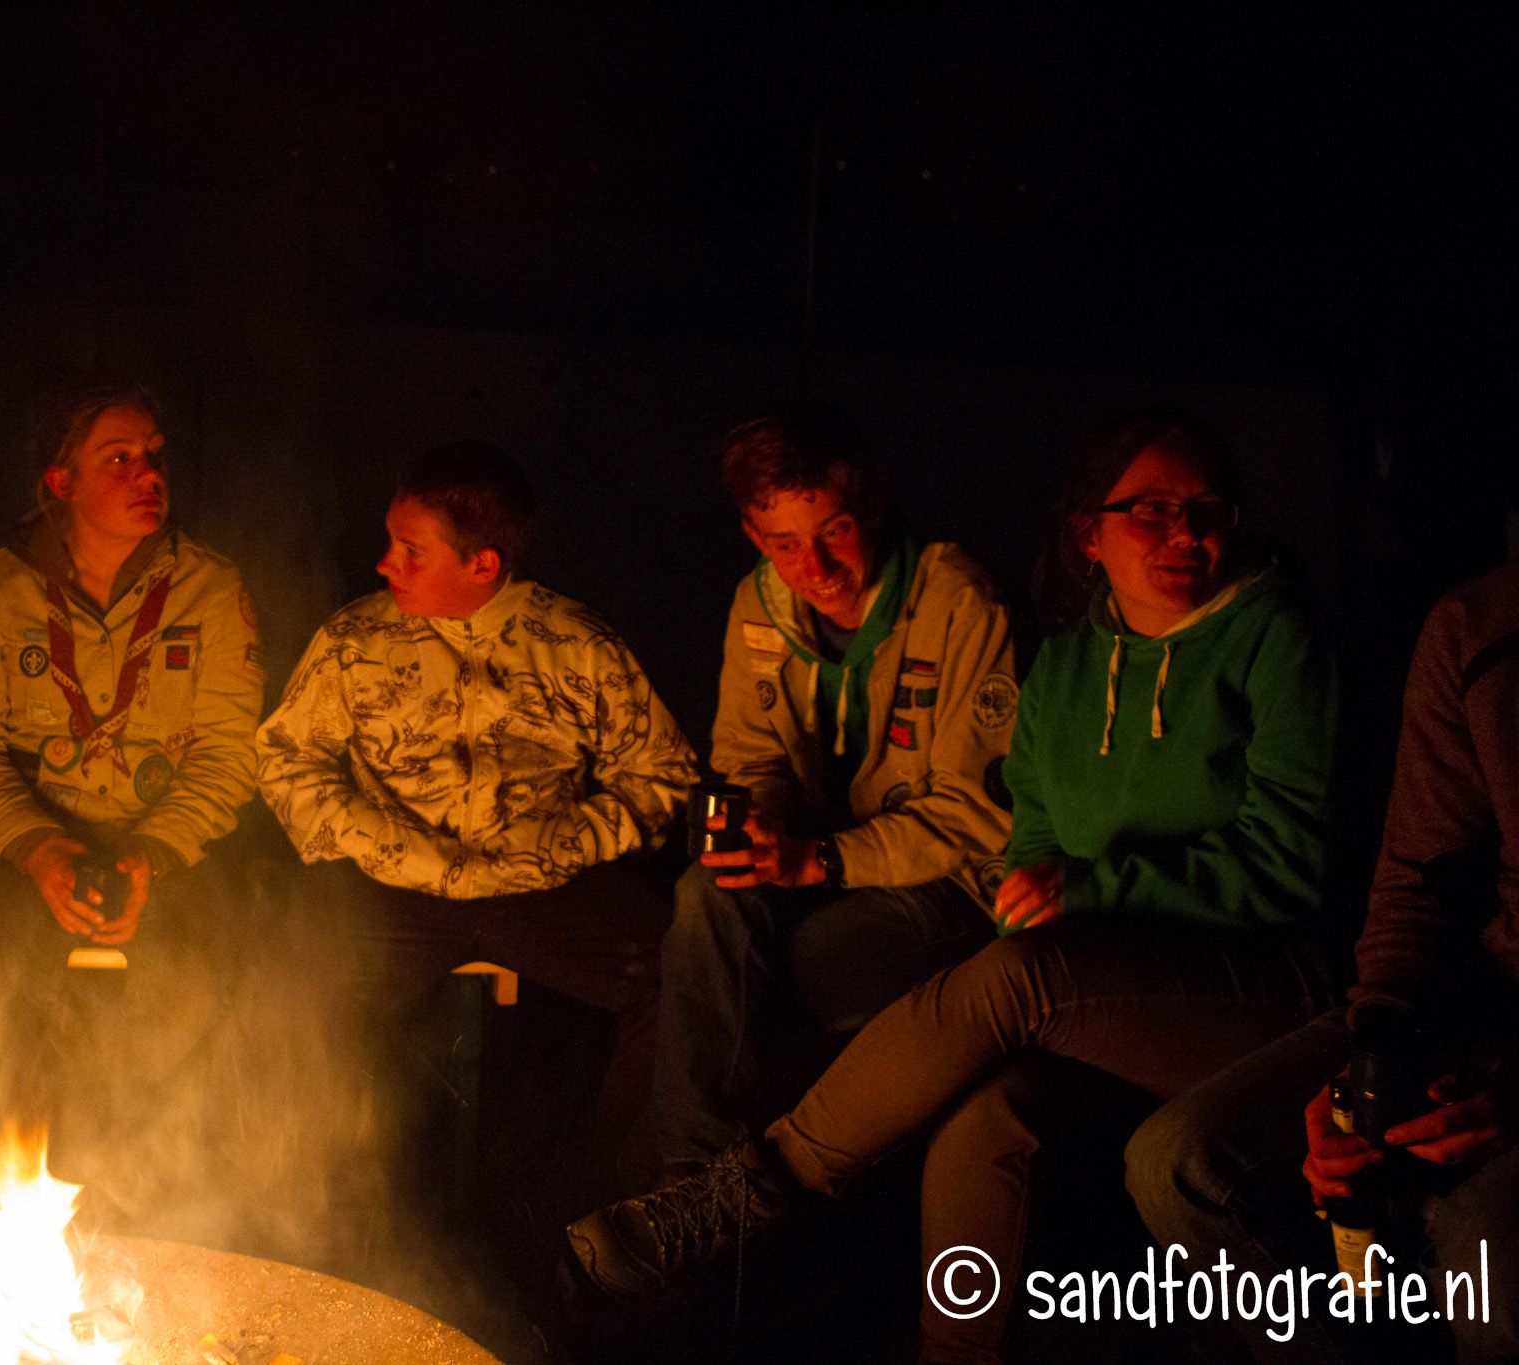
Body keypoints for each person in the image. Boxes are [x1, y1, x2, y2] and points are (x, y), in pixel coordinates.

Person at [569, 411, 1341, 1361]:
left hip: (1255, 978)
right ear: (1089, 535)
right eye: (1149, 511)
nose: (1183, 533)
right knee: (979, 1123)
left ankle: (741, 1200)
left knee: (997, 975)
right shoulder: (1067, 665)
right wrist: (770, 822)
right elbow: (1035, 830)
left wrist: (1081, 888)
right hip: (1100, 967)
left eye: (1204, 510)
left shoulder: (1274, 640)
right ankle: (734, 1224)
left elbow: (1286, 866)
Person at [256, 440, 697, 1195]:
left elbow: (661, 775)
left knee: (683, 974)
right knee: (290, 977)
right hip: (394, 889)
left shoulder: (574, 645)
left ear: (482, 565)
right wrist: (380, 842)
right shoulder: (355, 640)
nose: (384, 564)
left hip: (541, 890)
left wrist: (559, 846)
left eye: (410, 550)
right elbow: (285, 758)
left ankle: (619, 1215)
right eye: (392, 543)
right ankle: (314, 1201)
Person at [1126, 561, 1519, 1364]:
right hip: (1476, 998)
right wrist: (1371, 1055)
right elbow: (1418, 879)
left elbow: (1271, 861)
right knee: (1179, 1161)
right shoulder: (1480, 623)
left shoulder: (1271, 637)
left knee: (1489, 1261)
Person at [655, 412, 1014, 1175]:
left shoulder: (961, 603)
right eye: (783, 544)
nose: (813, 563)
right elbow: (751, 756)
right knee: (704, 898)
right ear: (754, 536)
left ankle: (743, 1192)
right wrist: (762, 824)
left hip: (947, 881)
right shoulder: (760, 606)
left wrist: (818, 860)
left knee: (770, 983)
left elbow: (975, 816)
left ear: (870, 509)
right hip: (819, 856)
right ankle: (689, 1175)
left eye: (834, 530)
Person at [0, 373, 262, 1156]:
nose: (149, 476)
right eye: (118, 459)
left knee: (190, 991)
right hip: (32, 847)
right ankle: (1, 1187)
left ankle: (153, 1185)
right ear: (62, 482)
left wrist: (151, 852)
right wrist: (39, 847)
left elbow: (228, 754)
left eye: (153, 457)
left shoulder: (210, 589)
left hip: (169, 851)